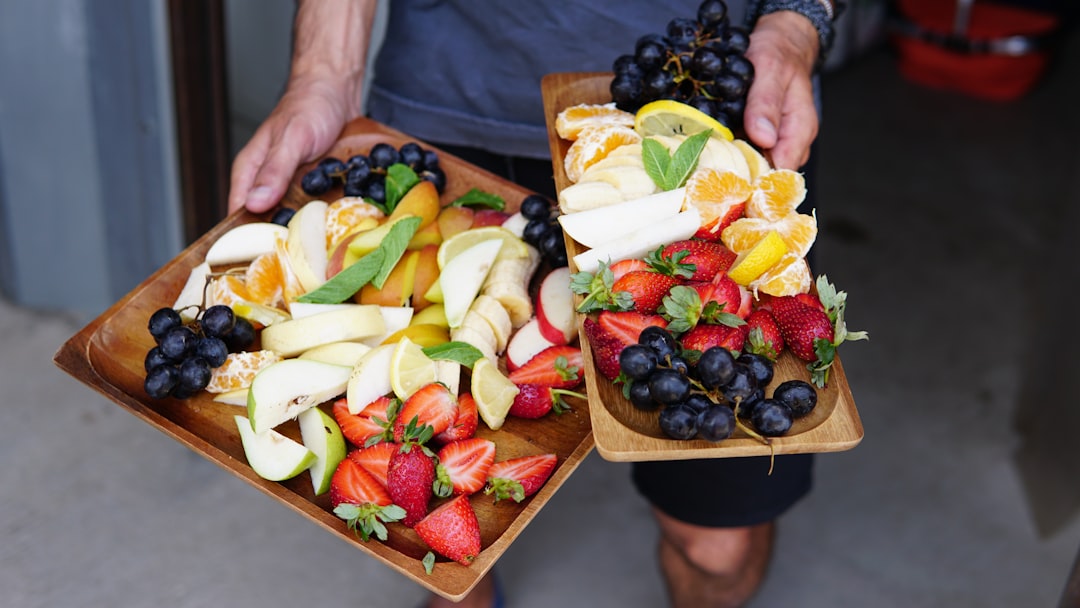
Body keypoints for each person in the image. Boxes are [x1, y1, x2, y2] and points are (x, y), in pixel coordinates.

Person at [229, 1, 840, 606]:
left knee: (718, 548)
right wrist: (323, 76)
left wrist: (794, 21)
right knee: (435, 530)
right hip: (450, 92)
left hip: (699, 125)